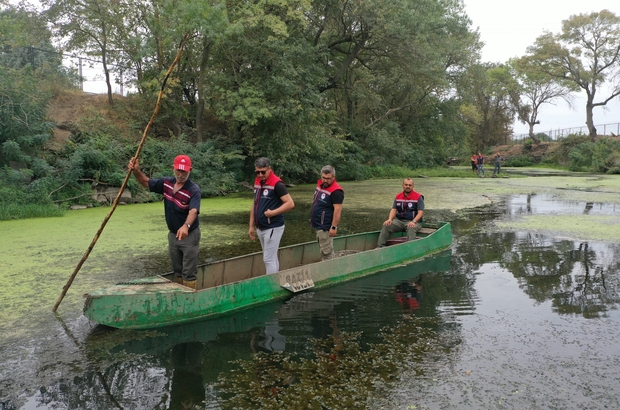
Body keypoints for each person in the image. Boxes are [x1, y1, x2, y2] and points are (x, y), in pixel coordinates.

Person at [128, 155, 201, 289]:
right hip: (173, 234)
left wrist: (186, 226)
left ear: (190, 170)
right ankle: (180, 294)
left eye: (184, 171)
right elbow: (146, 183)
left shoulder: (193, 190)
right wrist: (136, 171)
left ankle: (189, 299)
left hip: (189, 235)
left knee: (189, 272)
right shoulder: (167, 183)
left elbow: (193, 211)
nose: (180, 174)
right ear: (173, 169)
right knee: (177, 269)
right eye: (178, 170)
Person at [248, 157, 295, 274]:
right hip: (261, 227)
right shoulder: (258, 182)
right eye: (257, 172)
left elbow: (290, 203)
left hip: (273, 226)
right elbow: (255, 203)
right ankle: (276, 280)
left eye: (263, 172)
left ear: (269, 169)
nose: (260, 175)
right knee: (271, 257)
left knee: (268, 259)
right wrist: (251, 225)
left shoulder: (277, 184)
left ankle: (271, 284)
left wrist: (273, 213)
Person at [377, 178, 424, 247]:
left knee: (410, 227)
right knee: (386, 225)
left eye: (410, 185)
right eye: (406, 185)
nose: (408, 186)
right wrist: (389, 219)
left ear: (413, 187)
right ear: (403, 185)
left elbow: (421, 212)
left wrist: (413, 221)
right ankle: (380, 246)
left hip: (414, 222)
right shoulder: (398, 196)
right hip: (400, 221)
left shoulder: (418, 197)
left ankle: (410, 249)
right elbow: (394, 209)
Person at [310, 165, 344, 260]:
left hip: (326, 226)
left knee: (326, 252)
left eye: (328, 179)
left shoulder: (336, 191)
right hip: (318, 224)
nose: (325, 180)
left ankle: (330, 272)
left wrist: (333, 227)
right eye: (323, 178)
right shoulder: (321, 185)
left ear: (333, 177)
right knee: (322, 248)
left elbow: (338, 210)